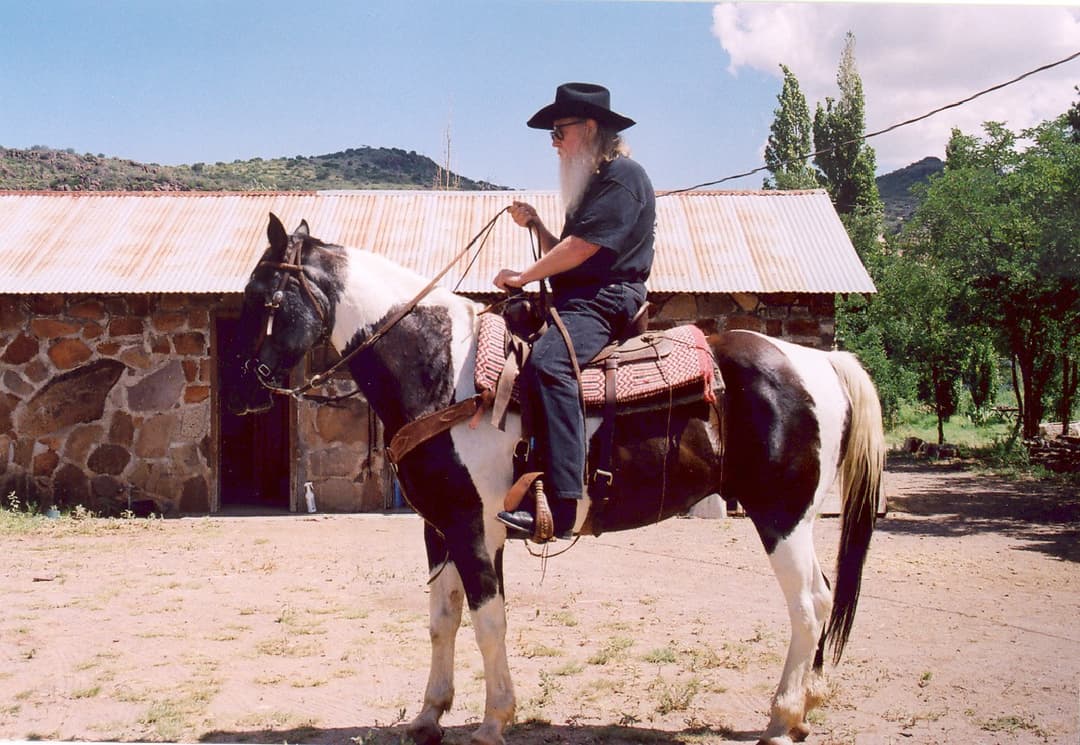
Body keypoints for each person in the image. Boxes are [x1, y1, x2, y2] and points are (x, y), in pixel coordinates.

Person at [493, 82, 656, 540]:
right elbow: (568, 250)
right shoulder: (594, 186)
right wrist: (538, 226)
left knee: (548, 365)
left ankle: (565, 503)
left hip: (608, 299)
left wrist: (524, 277)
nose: (553, 141)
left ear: (588, 127)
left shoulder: (624, 177)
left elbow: (582, 249)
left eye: (559, 130)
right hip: (581, 298)